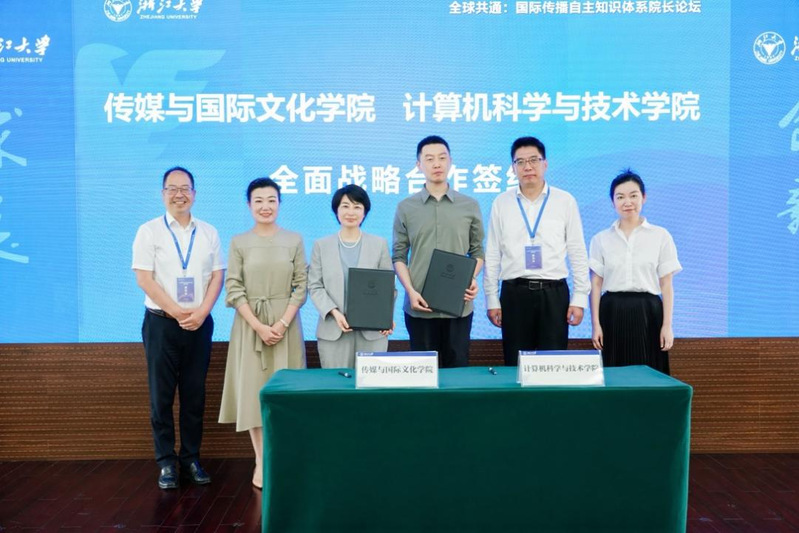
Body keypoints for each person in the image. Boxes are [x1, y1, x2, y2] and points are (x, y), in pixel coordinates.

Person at [132, 166, 225, 489]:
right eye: (172, 189)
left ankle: (190, 459)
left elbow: (218, 276)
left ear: (194, 194)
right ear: (163, 194)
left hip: (199, 324)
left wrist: (201, 312)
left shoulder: (209, 232)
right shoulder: (149, 231)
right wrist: (176, 312)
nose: (179, 194)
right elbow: (144, 278)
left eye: (185, 188)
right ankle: (166, 463)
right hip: (161, 323)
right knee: (161, 397)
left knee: (194, 395)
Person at [218, 177, 307, 490]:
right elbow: (233, 287)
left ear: (280, 203)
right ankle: (261, 460)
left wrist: (281, 323)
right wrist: (258, 325)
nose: (265, 206)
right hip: (249, 326)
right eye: (258, 200)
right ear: (248, 205)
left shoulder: (294, 239)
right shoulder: (239, 242)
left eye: (271, 200)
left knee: (287, 393)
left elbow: (301, 285)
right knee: (254, 392)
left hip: (287, 325)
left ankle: (282, 457)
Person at [483, 136, 590, 366]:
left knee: (553, 366)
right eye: (520, 162)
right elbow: (492, 253)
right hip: (514, 294)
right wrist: (491, 298)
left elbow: (577, 251)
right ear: (513, 167)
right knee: (516, 365)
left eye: (533, 160)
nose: (527, 167)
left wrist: (580, 297)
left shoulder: (565, 201)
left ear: (545, 163)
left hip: (554, 294)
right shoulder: (501, 202)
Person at [392, 135, 484, 368]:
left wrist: (471, 278)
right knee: (423, 372)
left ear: (450, 161)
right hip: (420, 305)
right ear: (419, 165)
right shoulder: (406, 207)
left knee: (458, 371)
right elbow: (399, 255)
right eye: (429, 159)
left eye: (442, 158)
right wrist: (410, 291)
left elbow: (477, 251)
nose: (437, 164)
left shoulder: (469, 205)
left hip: (458, 305)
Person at [589, 169, 681, 374]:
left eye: (633, 195)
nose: (627, 202)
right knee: (614, 373)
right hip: (612, 311)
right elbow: (595, 284)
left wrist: (667, 325)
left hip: (649, 311)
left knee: (649, 373)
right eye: (620, 197)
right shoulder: (600, 239)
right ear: (613, 202)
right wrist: (595, 325)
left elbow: (666, 285)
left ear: (643, 197)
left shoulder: (661, 236)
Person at [309, 185, 394, 368]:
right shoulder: (321, 245)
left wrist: (385, 316)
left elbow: (388, 287)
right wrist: (334, 312)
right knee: (336, 383)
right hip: (333, 329)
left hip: (372, 331)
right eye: (345, 206)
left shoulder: (379, 244)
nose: (351, 212)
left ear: (364, 212)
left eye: (357, 207)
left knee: (371, 383)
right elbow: (315, 286)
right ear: (336, 210)